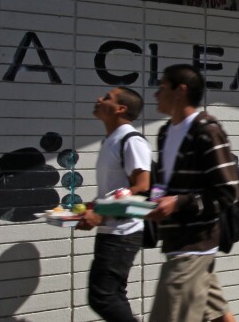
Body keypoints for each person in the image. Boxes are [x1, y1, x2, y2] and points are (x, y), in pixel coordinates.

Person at [147, 64, 239, 322]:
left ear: (181, 91)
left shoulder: (207, 131)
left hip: (195, 243)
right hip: (174, 238)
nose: (156, 94)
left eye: (162, 88)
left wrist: (178, 202)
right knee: (219, 314)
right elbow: (164, 183)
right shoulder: (166, 132)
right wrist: (153, 202)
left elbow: (228, 192)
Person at [77, 87, 151, 322]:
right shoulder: (111, 140)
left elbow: (142, 186)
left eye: (107, 98)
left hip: (124, 232)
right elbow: (117, 189)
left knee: (103, 297)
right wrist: (93, 206)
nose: (99, 99)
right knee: (113, 295)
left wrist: (102, 211)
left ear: (121, 108)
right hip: (111, 230)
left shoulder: (132, 140)